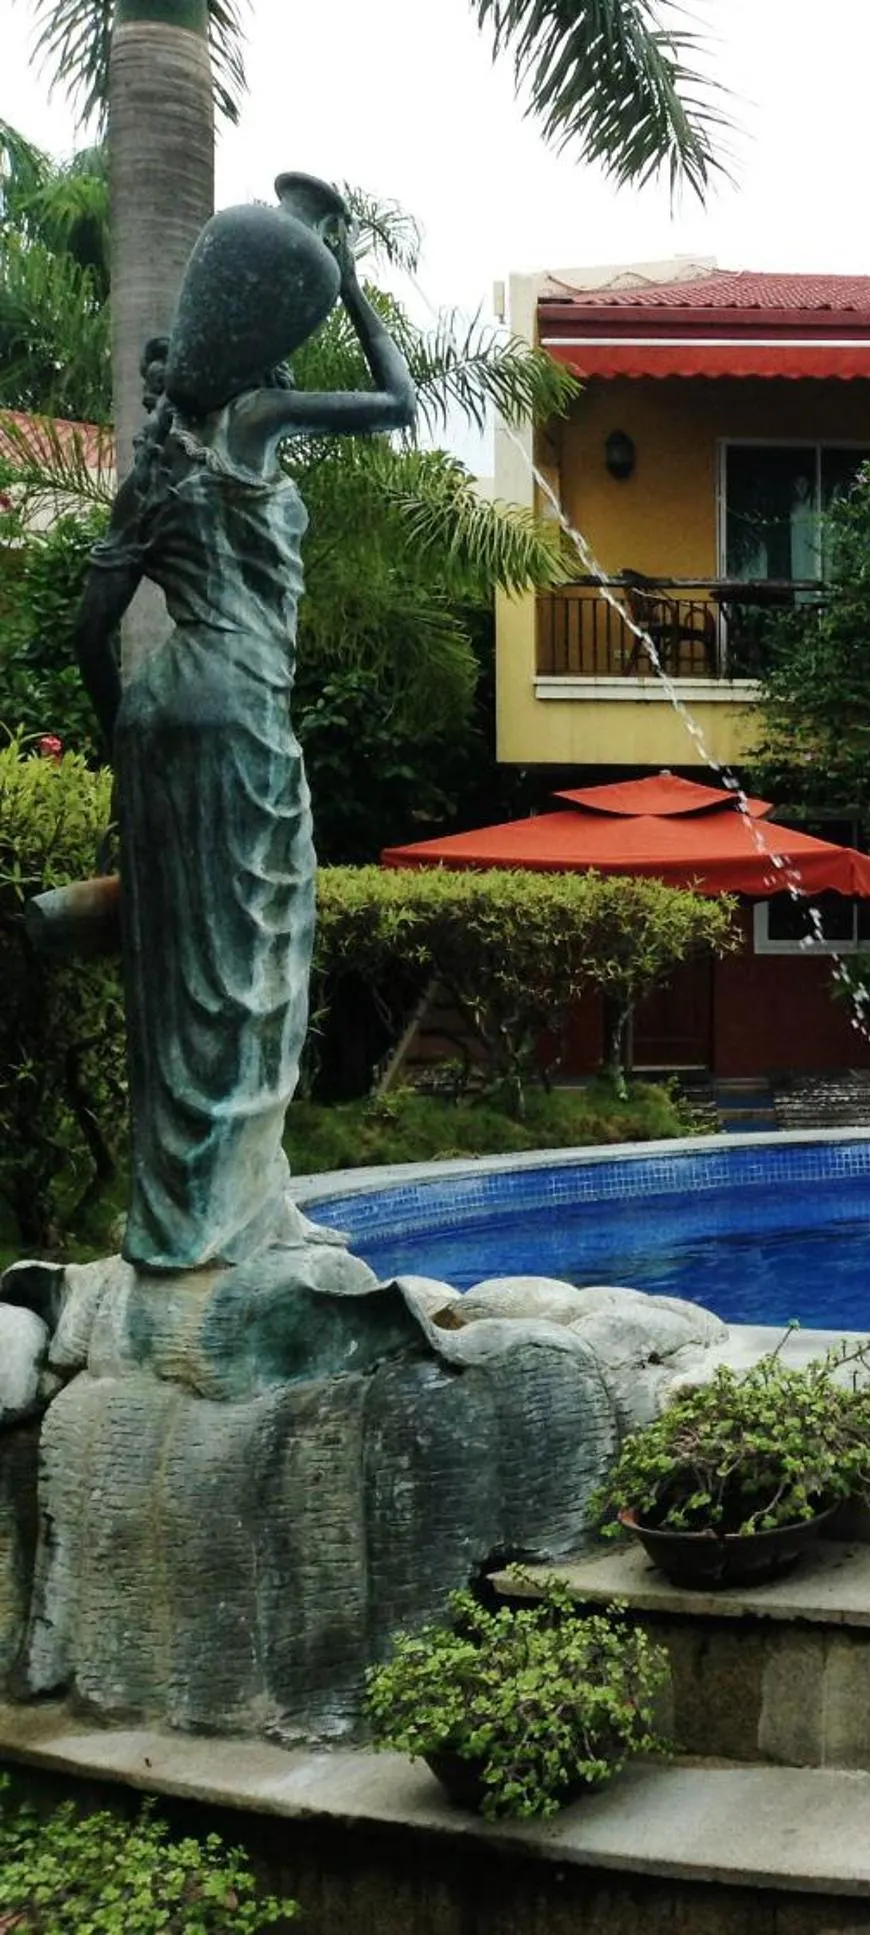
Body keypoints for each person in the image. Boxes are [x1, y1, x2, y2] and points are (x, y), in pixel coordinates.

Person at [70, 178, 415, 1271]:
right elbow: (397, 403)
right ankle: (240, 1214)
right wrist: (350, 291)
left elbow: (89, 631)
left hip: (160, 713)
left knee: (178, 976)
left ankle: (187, 1216)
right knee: (260, 964)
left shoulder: (151, 475)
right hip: (241, 714)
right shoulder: (254, 427)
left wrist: (122, 742)